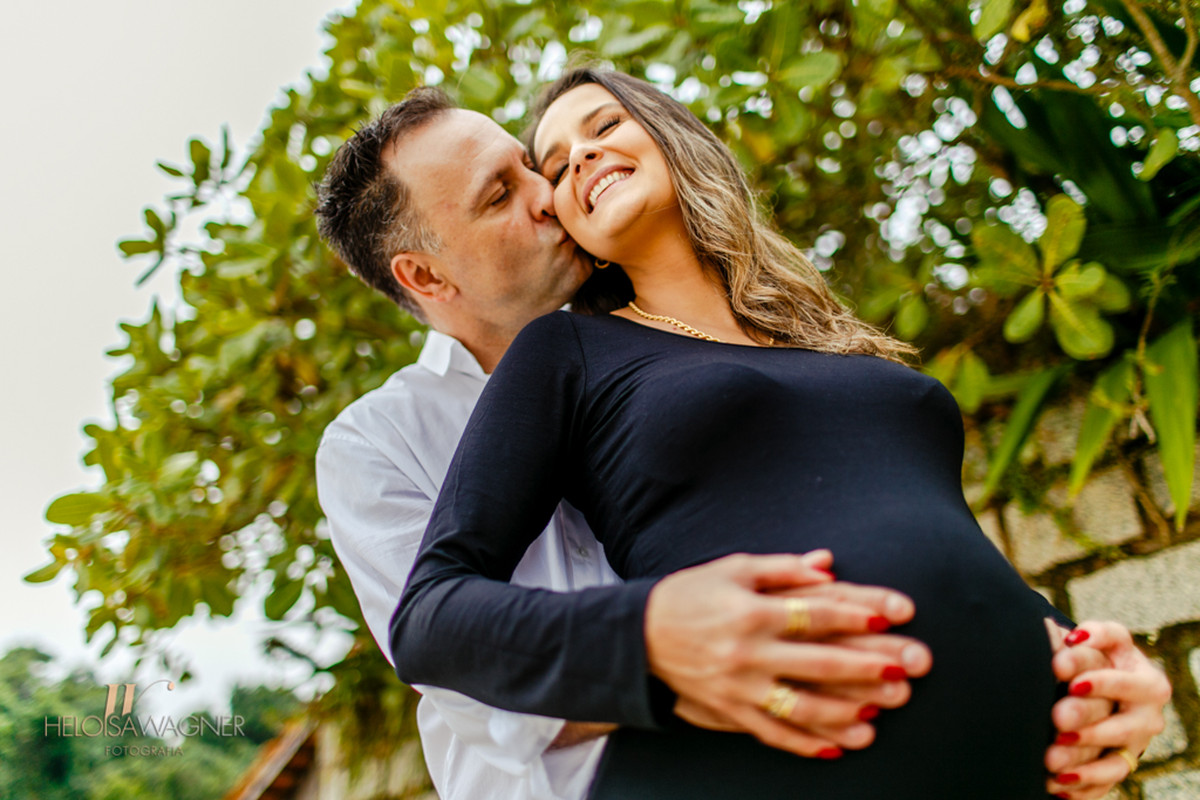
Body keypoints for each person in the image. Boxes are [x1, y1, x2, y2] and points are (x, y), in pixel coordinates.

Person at [390, 69, 1170, 800]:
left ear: (669, 136)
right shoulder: (567, 353)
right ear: (569, 225)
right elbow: (430, 616)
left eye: (605, 124)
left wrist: (1092, 660)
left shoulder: (841, 351)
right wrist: (649, 637)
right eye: (556, 166)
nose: (582, 156)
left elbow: (944, 551)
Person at [314, 90, 940, 800]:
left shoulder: (682, 352)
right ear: (426, 276)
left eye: (530, 168)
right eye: (500, 196)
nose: (548, 195)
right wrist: (664, 653)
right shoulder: (378, 443)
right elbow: (470, 678)